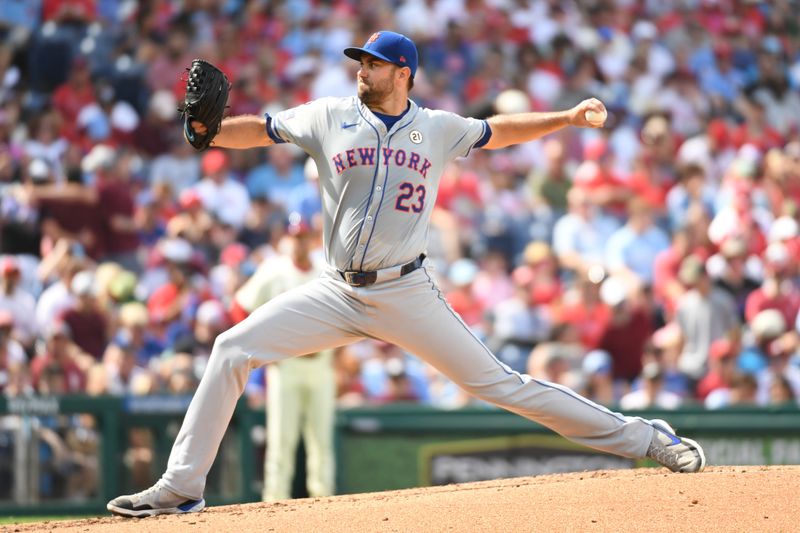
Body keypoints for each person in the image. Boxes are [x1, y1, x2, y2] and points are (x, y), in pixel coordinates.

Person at [107, 30, 706, 518]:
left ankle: (646, 438)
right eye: (359, 63)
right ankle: (183, 485)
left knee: (498, 385)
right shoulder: (327, 115)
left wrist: (567, 118)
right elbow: (260, 130)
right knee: (231, 348)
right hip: (336, 290)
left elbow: (500, 132)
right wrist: (210, 134)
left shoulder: (438, 127)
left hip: (406, 289)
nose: (360, 72)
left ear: (402, 73)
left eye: (371, 65)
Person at [233, 214, 336, 501]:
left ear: (311, 240)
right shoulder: (274, 270)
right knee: (281, 442)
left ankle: (325, 502)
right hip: (286, 365)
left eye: (302, 236)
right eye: (293, 236)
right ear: (285, 239)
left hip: (321, 364)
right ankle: (274, 503)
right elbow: (240, 305)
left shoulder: (325, 269)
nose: (298, 242)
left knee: (322, 443)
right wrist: (259, 345)